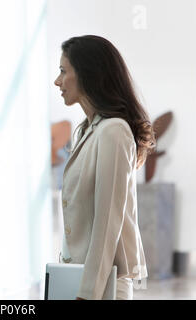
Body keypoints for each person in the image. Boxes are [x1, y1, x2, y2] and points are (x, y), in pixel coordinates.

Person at [54, 35, 153, 300]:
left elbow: (107, 222)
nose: (57, 81)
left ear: (87, 74)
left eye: (64, 71)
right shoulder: (89, 130)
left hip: (102, 287)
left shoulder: (114, 131)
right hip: (83, 278)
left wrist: (87, 294)